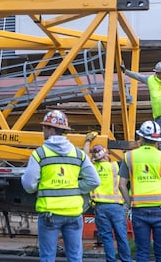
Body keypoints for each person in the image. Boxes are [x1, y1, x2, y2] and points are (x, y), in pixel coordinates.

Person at [22, 110, 100, 262]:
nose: (43, 130)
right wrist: (76, 188)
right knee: (75, 257)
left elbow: (29, 185)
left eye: (44, 127)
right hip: (73, 213)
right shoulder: (78, 154)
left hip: (49, 213)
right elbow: (94, 181)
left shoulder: (40, 154)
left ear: (51, 129)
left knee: (48, 258)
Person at [118, 120, 161, 262]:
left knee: (142, 253)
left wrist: (130, 204)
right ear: (158, 141)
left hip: (139, 211)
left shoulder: (129, 157)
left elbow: (122, 185)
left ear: (141, 138)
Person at [83, 136, 131, 262]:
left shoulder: (92, 169)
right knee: (121, 236)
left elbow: (85, 157)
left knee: (107, 237)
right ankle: (126, 259)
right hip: (116, 207)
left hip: (100, 207)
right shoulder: (115, 166)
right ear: (105, 156)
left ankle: (111, 260)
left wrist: (87, 141)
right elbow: (129, 159)